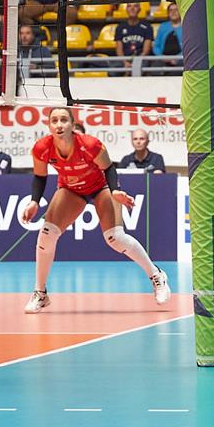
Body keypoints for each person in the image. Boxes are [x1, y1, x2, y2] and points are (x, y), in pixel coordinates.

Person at [20, 106, 170, 313]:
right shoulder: (42, 148)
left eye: (64, 120)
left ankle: (156, 275)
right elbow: (39, 176)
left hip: (101, 187)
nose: (59, 125)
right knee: (46, 233)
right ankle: (40, 293)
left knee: (115, 238)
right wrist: (34, 201)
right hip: (71, 189)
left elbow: (108, 168)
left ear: (72, 125)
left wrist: (115, 191)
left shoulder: (90, 145)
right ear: (49, 125)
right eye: (54, 121)